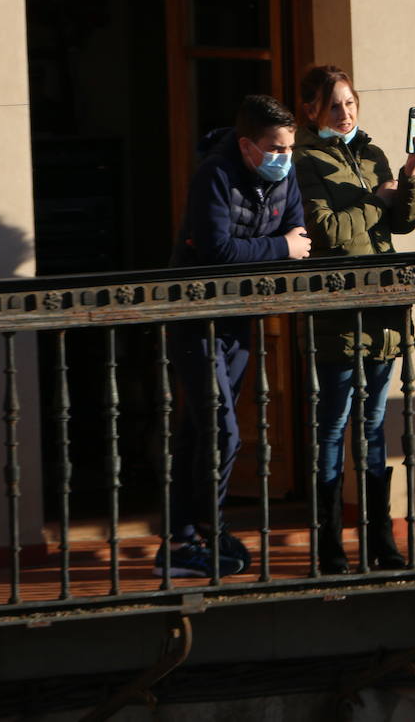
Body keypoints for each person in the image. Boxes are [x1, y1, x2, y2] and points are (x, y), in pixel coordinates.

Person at [161, 95, 311, 578]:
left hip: (239, 317)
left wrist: (285, 244)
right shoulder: (215, 175)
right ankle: (210, 527)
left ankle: (181, 541)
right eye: (274, 148)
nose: (284, 157)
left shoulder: (285, 176)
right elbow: (217, 248)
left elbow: (299, 231)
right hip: (195, 315)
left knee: (199, 428)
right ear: (247, 146)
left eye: (289, 148)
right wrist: (280, 248)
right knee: (221, 430)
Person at [293, 65, 415, 573]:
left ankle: (381, 542)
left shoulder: (371, 154)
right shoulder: (303, 159)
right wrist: (377, 200)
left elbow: (404, 221)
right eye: (334, 105)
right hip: (337, 308)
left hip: (382, 309)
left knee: (373, 429)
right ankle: (330, 545)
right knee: (332, 428)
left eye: (351, 103)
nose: (345, 112)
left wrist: (412, 171)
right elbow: (324, 229)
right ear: (311, 110)